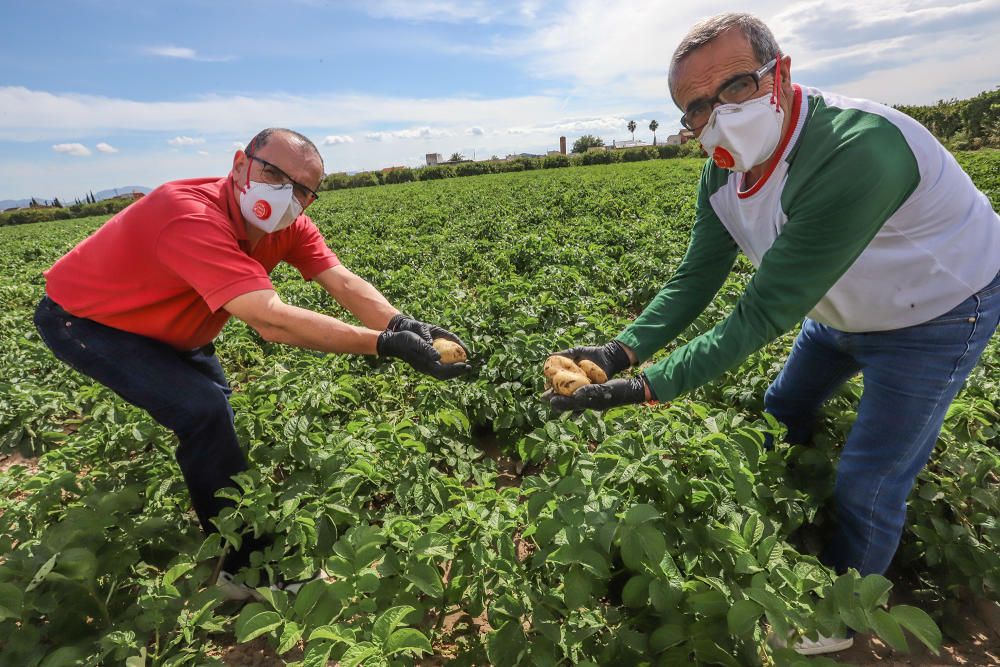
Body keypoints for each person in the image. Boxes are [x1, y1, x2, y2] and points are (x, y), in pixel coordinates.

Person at [545, 12, 1000, 655]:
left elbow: (760, 314)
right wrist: (621, 350)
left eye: (734, 87)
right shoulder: (725, 171)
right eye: (696, 107)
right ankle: (790, 513)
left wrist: (647, 387)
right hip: (837, 309)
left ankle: (842, 612)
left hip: (937, 312)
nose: (718, 115)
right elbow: (696, 276)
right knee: (783, 407)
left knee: (871, 475)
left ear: (779, 74)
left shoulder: (858, 148)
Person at [34, 128, 472, 601]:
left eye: (304, 189)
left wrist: (407, 325)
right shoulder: (187, 213)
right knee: (203, 412)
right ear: (241, 164)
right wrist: (387, 345)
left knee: (214, 411)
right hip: (93, 322)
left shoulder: (287, 225)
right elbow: (271, 320)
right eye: (274, 173)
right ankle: (244, 571)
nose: (288, 194)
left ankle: (219, 507)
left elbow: (342, 282)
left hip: (178, 326)